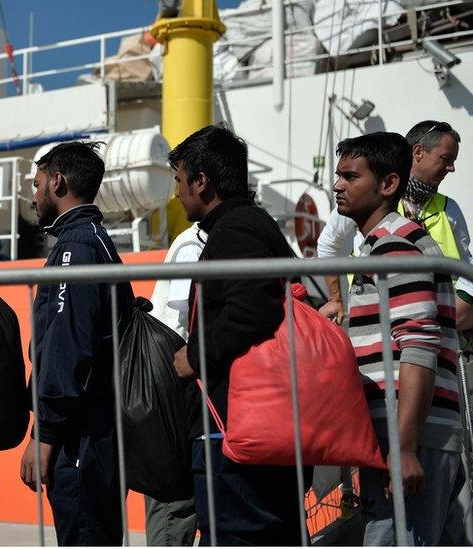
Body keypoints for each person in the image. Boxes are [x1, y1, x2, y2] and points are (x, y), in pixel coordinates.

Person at [168, 125, 310, 545]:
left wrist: (193, 356)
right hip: (258, 429)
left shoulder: (236, 230)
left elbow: (252, 309)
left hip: (235, 435)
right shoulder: (251, 225)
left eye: (179, 180)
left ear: (201, 182)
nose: (177, 193)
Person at [333, 131, 470, 545]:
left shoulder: (395, 246)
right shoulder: (386, 245)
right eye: (338, 175)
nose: (338, 185)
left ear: (388, 185)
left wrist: (405, 446)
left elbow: (418, 346)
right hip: (411, 438)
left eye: (351, 177)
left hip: (412, 439)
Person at [17, 141, 134, 545]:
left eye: (37, 184)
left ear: (58, 181)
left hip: (81, 437)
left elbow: (68, 349)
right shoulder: (91, 241)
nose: (33, 196)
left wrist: (44, 435)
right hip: (91, 433)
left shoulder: (77, 247)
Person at [317, 120, 471, 328]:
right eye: (446, 159)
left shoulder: (448, 208)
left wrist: (462, 304)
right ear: (418, 152)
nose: (451, 168)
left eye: (350, 176)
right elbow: (328, 244)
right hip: (375, 321)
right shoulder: (362, 200)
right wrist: (335, 299)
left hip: (433, 326)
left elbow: (466, 266)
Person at [143, 222, 205, 546]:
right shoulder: (192, 245)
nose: (178, 193)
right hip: (176, 395)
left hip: (176, 393)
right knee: (173, 512)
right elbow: (185, 326)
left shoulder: (195, 242)